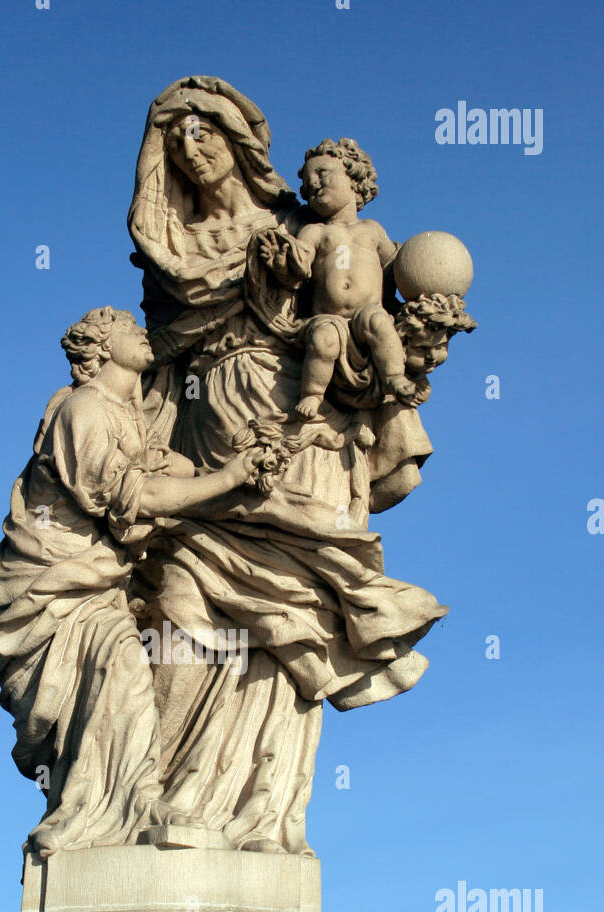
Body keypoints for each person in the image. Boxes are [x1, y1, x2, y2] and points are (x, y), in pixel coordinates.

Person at [128, 78, 447, 854]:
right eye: (176, 143)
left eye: (205, 135)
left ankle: (255, 815)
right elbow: (157, 357)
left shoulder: (292, 228)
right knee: (180, 596)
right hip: (200, 429)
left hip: (295, 430)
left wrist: (414, 343)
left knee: (288, 613)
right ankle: (153, 795)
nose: (192, 151)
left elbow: (343, 334)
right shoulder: (169, 251)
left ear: (238, 143)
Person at [0, 305, 255, 857]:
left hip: (96, 587)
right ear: (102, 348)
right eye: (130, 328)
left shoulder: (128, 418)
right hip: (55, 585)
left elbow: (161, 471)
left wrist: (213, 472)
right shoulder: (83, 410)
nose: (143, 334)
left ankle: (124, 802)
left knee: (121, 676)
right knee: (121, 667)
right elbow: (133, 498)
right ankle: (106, 809)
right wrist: (231, 478)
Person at [254, 137, 416, 417]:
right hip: (328, 317)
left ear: (354, 178)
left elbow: (395, 270)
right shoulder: (314, 232)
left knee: (380, 324)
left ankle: (394, 377)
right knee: (323, 341)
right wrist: (281, 262)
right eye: (307, 182)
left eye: (322, 173)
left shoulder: (372, 230)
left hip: (367, 312)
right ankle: (313, 394)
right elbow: (299, 267)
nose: (313, 184)